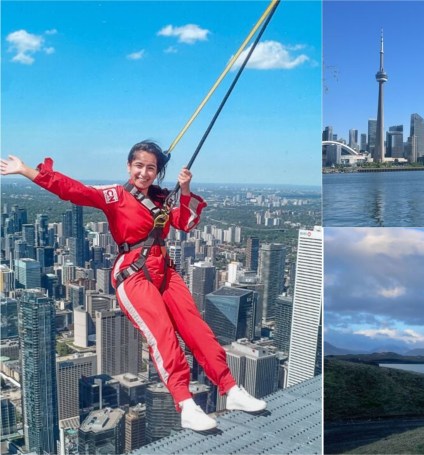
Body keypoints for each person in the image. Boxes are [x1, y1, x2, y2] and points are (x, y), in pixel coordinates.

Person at [0, 141, 266, 432]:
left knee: (197, 330)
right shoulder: (115, 195)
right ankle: (186, 404)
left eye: (151, 168)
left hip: (164, 269)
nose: (144, 172)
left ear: (157, 172)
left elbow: (187, 222)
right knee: (163, 336)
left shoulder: (163, 198)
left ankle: (231, 389)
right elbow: (76, 191)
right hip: (134, 273)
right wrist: (27, 171)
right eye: (139, 165)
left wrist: (185, 190)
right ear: (129, 166)